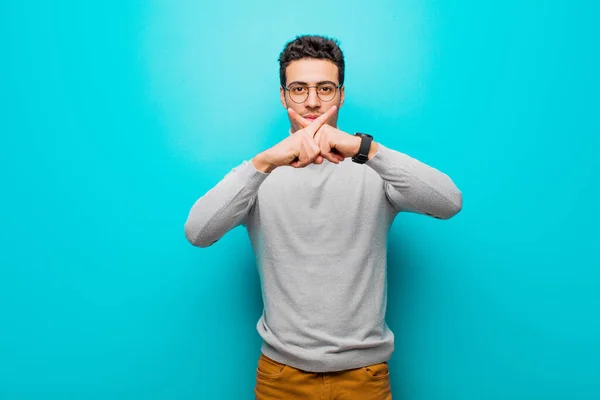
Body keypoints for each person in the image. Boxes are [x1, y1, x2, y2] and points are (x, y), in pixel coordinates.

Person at [184, 34, 462, 400]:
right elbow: (198, 231)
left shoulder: (374, 171)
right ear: (283, 95)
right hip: (281, 377)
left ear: (341, 95)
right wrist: (263, 162)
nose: (312, 101)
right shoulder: (259, 176)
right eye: (299, 89)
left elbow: (448, 201)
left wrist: (365, 149)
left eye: (325, 89)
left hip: (364, 377)